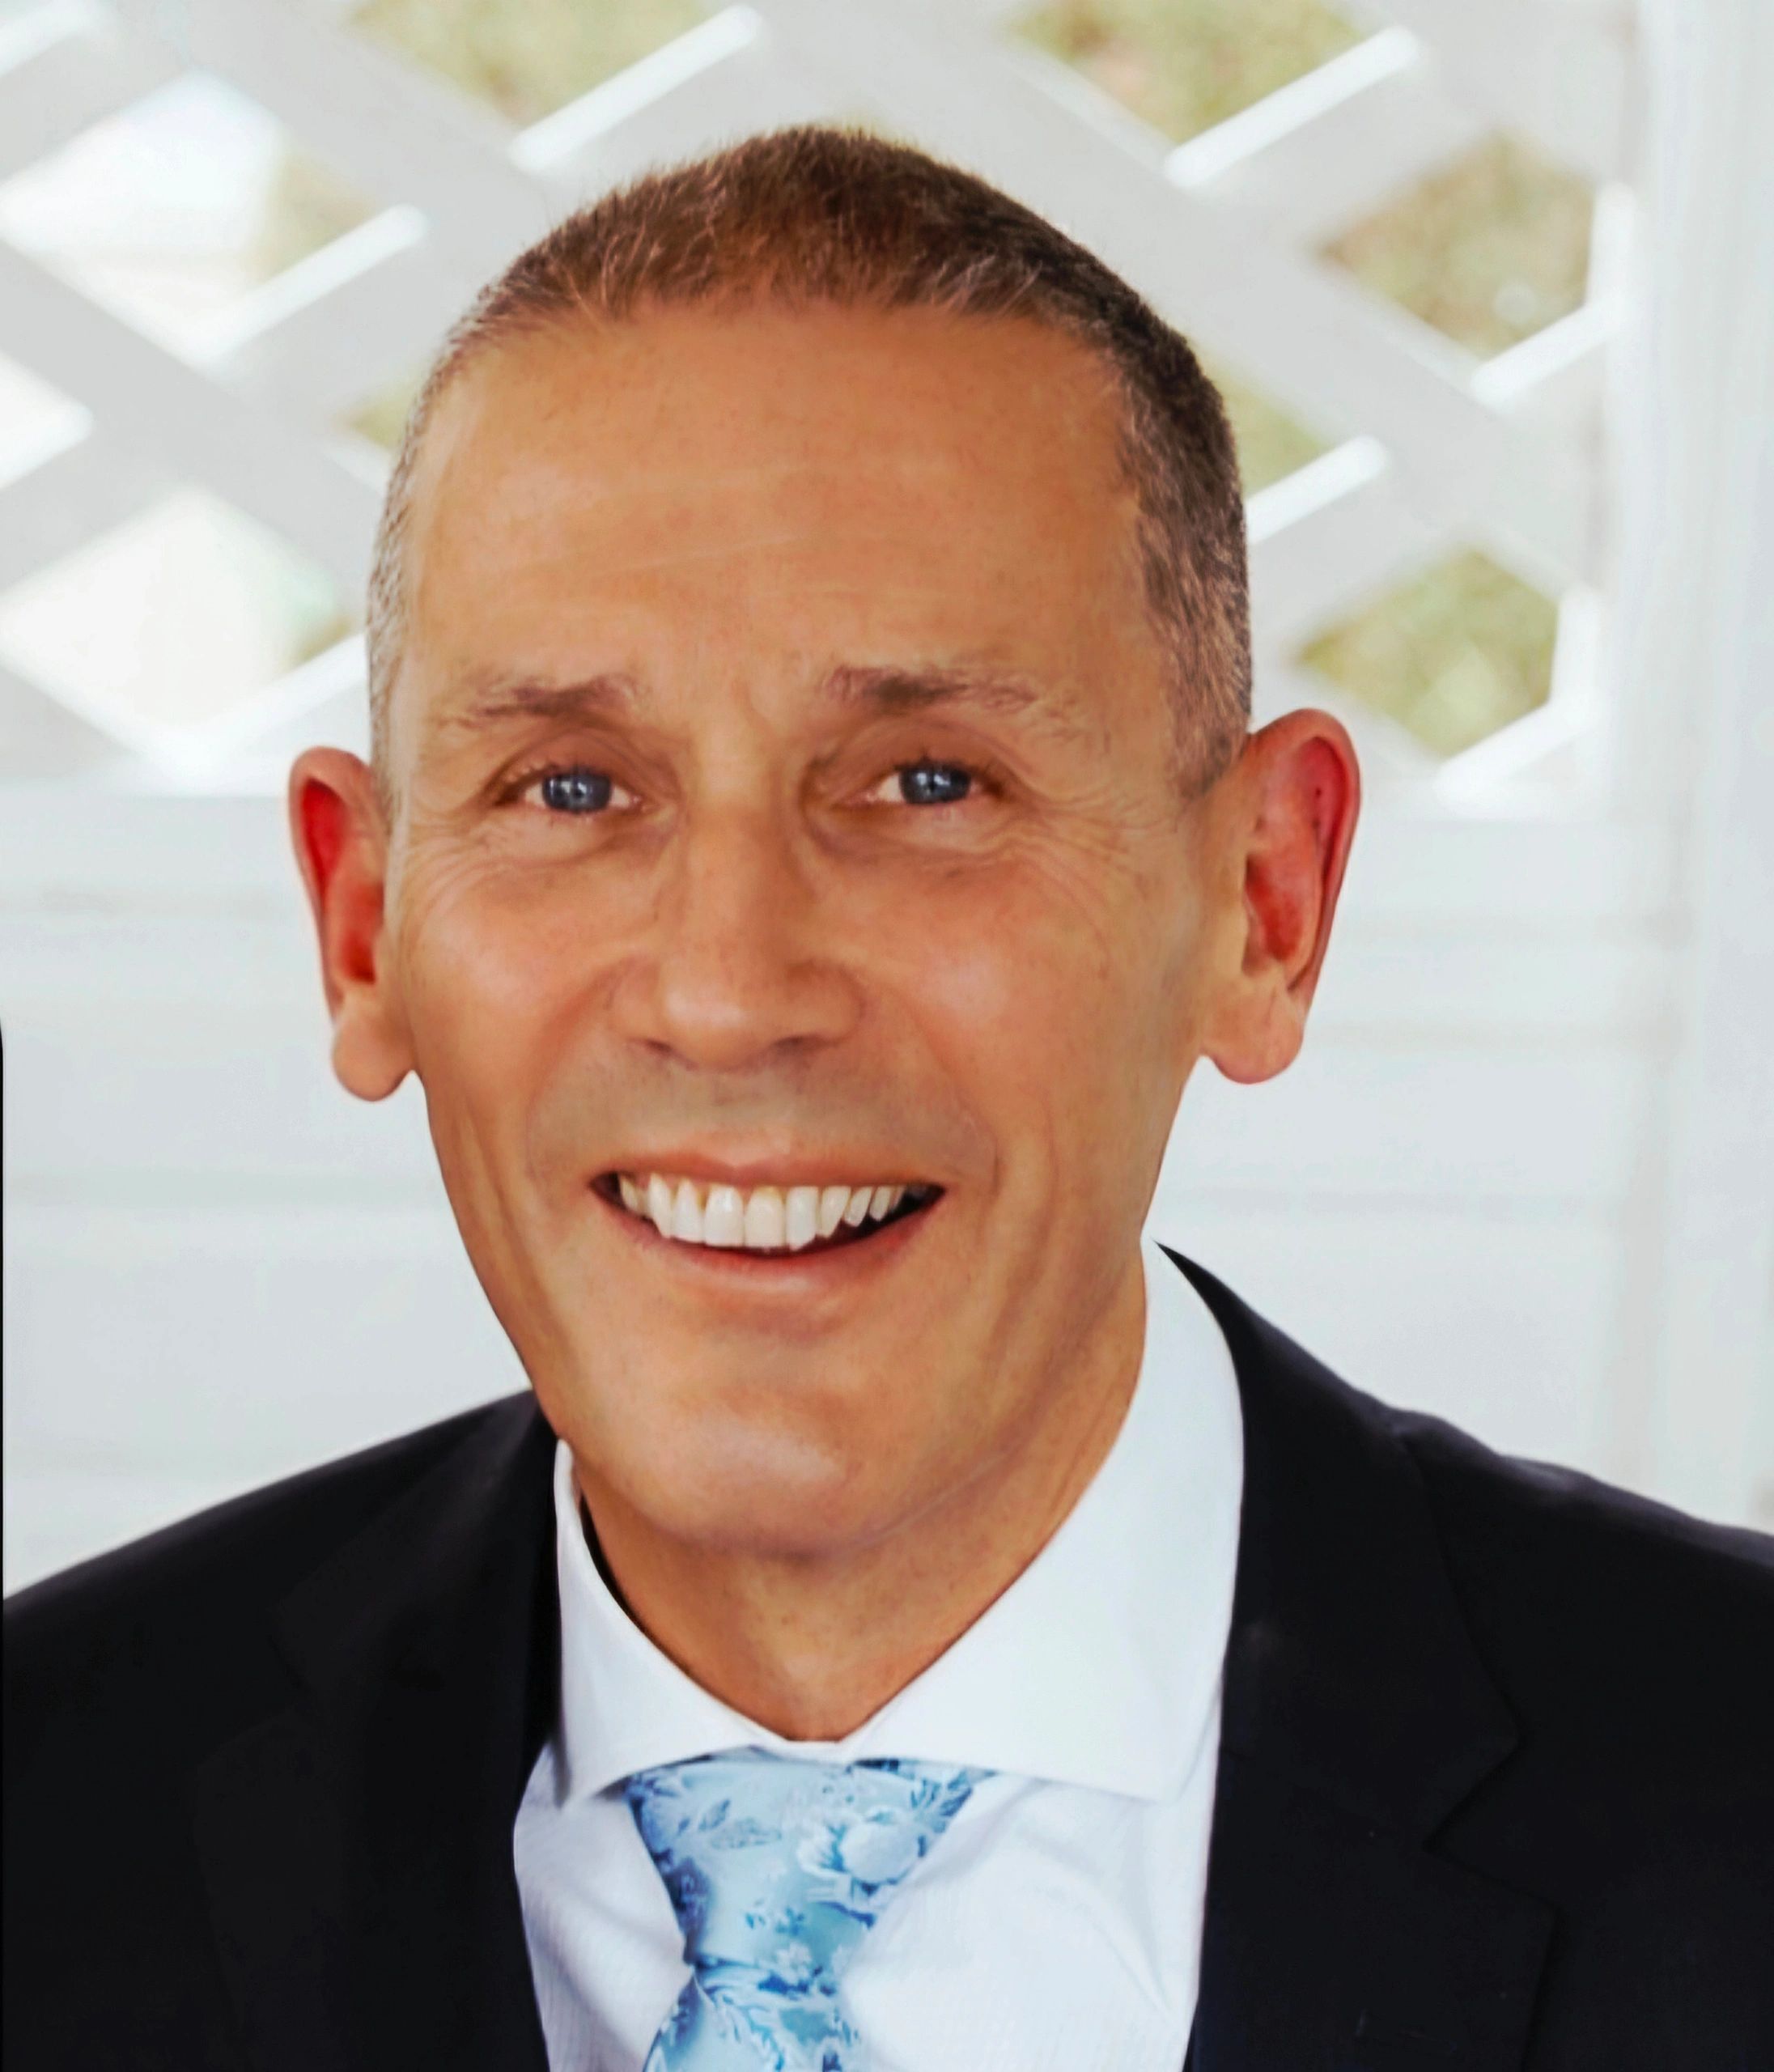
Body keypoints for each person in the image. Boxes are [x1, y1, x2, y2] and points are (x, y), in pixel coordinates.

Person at [5, 126, 1770, 2072]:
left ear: (1264, 901)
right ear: (362, 925)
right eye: (572, 789)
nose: (728, 990)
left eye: (929, 783)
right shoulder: (49, 1821)